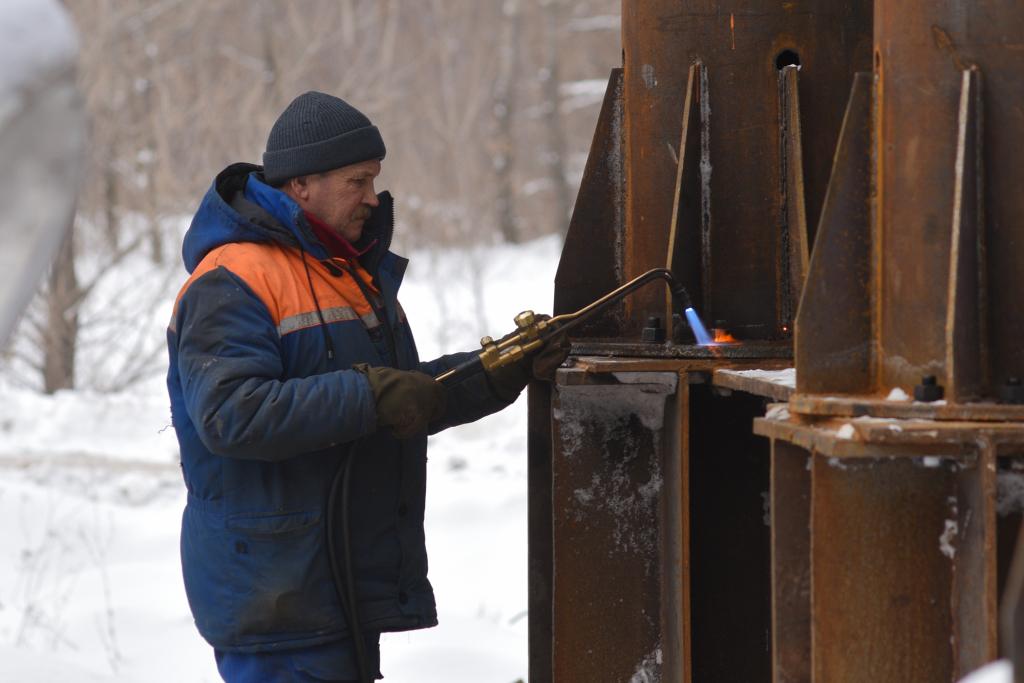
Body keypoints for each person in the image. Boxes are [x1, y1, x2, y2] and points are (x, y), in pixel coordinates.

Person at [166, 91, 568, 682]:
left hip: (330, 585)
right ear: (302, 185)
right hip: (278, 596)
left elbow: (395, 396)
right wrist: (372, 394)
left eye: (373, 180)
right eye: (357, 181)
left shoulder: (345, 271)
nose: (372, 198)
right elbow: (231, 413)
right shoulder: (232, 278)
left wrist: (495, 371)